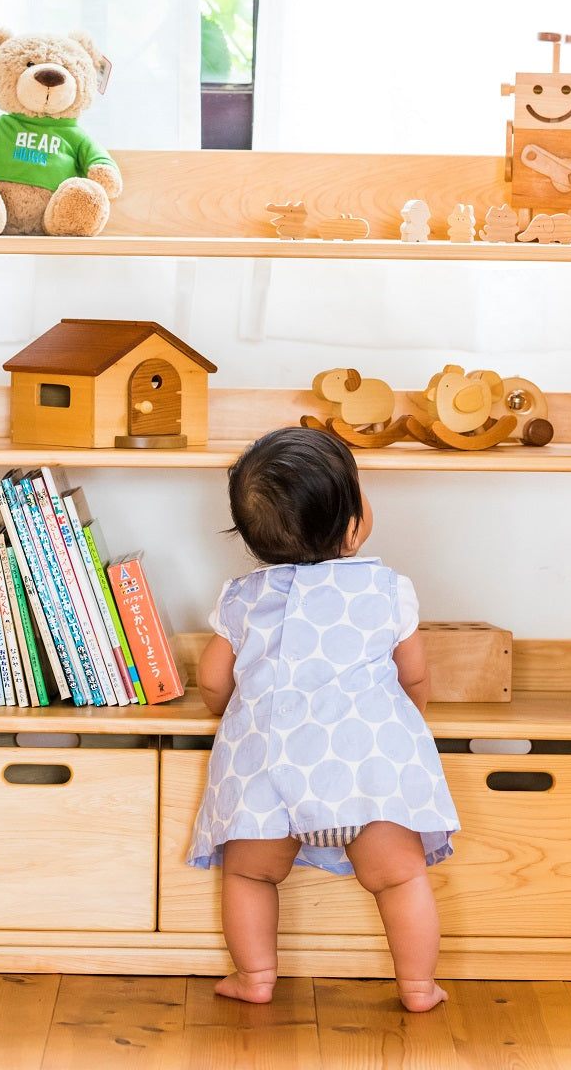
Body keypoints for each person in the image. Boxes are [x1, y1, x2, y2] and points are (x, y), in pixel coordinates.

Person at [186, 426, 459, 1012]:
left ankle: (256, 976)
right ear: (354, 523)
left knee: (250, 877)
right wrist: (405, 721)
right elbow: (412, 677)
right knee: (402, 879)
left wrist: (222, 710)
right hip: (368, 771)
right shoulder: (386, 589)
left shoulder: (242, 596)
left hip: (268, 771)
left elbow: (213, 681)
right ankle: (416, 986)